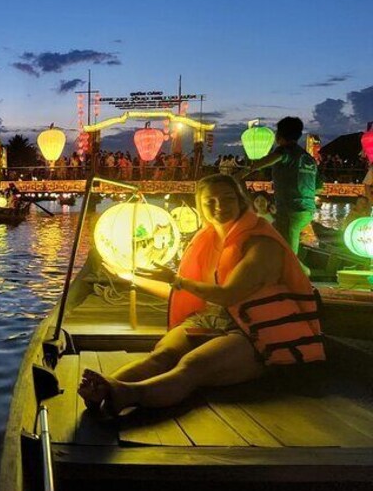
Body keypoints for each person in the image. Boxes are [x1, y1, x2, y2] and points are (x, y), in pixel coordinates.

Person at [79, 174, 325, 415]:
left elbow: (228, 295)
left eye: (228, 199)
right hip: (208, 319)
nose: (219, 207)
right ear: (200, 206)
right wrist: (130, 277)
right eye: (210, 201)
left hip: (253, 329)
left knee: (192, 367)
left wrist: (177, 280)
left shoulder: (262, 244)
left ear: (241, 201)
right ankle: (103, 386)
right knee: (161, 356)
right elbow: (182, 293)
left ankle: (126, 394)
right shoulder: (207, 240)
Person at [240, 117, 318, 265]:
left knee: (287, 255)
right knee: (274, 242)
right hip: (307, 210)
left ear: (278, 135)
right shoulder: (308, 158)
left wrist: (243, 173)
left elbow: (267, 160)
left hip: (291, 209)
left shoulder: (285, 150)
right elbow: (318, 186)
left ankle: (298, 283)